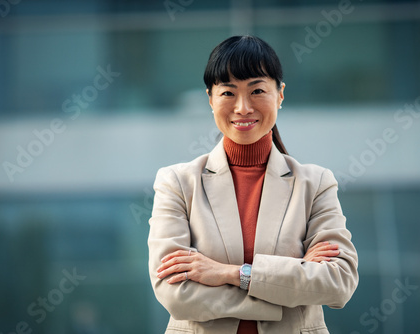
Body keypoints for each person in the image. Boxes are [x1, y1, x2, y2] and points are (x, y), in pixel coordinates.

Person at [148, 35, 358, 334]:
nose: (243, 107)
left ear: (280, 94)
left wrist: (230, 273)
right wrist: (287, 290)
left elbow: (338, 283)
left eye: (257, 90)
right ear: (210, 99)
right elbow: (175, 295)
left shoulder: (315, 183)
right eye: (228, 93)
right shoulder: (178, 183)